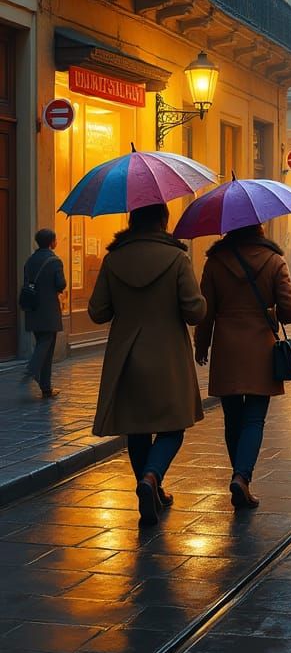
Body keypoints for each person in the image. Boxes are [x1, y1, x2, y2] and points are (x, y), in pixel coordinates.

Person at [89, 204, 206, 525]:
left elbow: (97, 312)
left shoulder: (113, 259)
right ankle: (152, 477)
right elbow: (195, 311)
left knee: (137, 429)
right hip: (168, 356)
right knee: (173, 427)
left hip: (126, 357)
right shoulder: (177, 258)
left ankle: (149, 487)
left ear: (132, 221)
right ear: (163, 221)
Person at [195, 222, 291, 509]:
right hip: (260, 350)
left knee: (232, 418)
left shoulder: (215, 262)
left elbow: (205, 311)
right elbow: (290, 311)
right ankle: (241, 477)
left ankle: (239, 477)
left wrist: (201, 344)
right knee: (254, 419)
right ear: (258, 227)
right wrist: (273, 310)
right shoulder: (274, 261)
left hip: (226, 348)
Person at [21, 228, 67, 398]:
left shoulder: (30, 260)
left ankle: (46, 388)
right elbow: (61, 284)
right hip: (48, 310)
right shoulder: (55, 261)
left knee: (43, 345)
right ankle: (32, 369)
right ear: (51, 242)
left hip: (33, 308)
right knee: (46, 343)